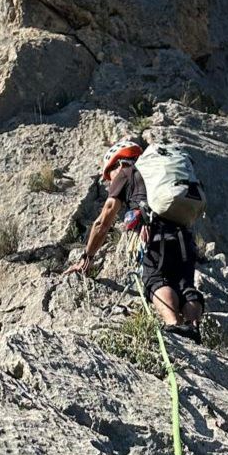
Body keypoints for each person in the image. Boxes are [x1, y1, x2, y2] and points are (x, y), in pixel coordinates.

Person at [65, 139, 205, 340]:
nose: (108, 181)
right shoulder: (156, 173)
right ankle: (192, 328)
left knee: (155, 280)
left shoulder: (126, 172)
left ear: (119, 162)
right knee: (185, 284)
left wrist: (87, 257)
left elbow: (103, 222)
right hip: (185, 235)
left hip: (156, 233)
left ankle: (173, 325)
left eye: (109, 174)